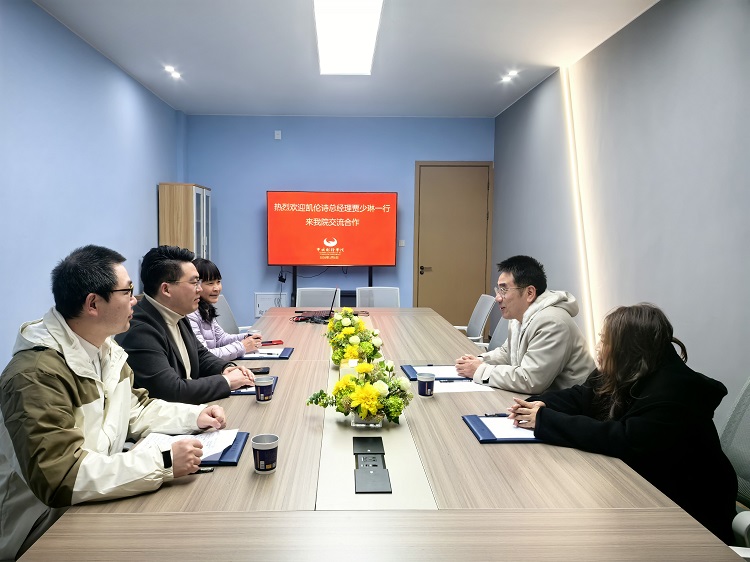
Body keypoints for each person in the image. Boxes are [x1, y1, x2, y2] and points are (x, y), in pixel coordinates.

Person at [0, 245, 228, 561]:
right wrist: (162, 462)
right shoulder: (35, 375)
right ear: (93, 303)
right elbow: (62, 478)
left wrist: (196, 416)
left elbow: (136, 409)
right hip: (41, 531)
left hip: (96, 504)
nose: (135, 300)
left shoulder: (105, 350)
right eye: (127, 292)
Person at [508, 303, 737, 544]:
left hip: (690, 514)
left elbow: (624, 439)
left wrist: (546, 420)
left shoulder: (674, 392)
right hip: (644, 491)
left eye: (604, 341)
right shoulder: (630, 367)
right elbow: (582, 396)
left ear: (629, 348)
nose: (598, 347)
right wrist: (539, 404)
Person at [115, 246, 254, 404]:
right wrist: (227, 381)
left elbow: (200, 355)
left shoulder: (178, 313)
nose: (200, 289)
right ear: (166, 289)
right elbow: (172, 391)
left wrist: (225, 368)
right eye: (194, 283)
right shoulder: (140, 331)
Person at [455, 255, 594, 393]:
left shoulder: (552, 323)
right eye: (498, 290)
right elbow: (507, 352)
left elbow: (531, 380)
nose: (497, 298)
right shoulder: (520, 317)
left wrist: (480, 370)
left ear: (530, 293)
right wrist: (479, 360)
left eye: (504, 290)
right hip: (543, 399)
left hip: (570, 403)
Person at [187, 258, 262, 360]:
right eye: (210, 283)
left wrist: (246, 337)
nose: (216, 288)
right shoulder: (190, 314)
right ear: (196, 285)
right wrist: (243, 346)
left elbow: (221, 339)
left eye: (218, 282)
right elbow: (205, 356)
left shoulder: (206, 308)